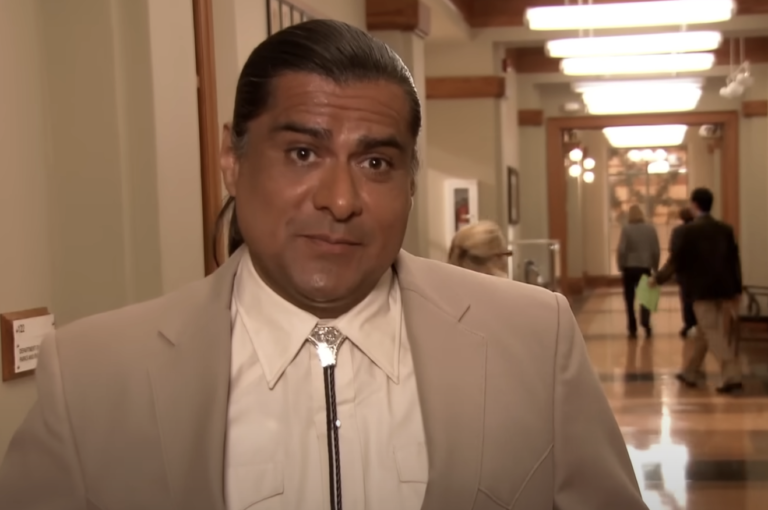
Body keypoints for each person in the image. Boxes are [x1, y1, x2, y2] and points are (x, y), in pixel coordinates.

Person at [0, 20, 648, 510]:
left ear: (411, 180)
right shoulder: (93, 376)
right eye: (303, 154)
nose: (340, 200)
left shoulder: (533, 339)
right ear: (232, 160)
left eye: (376, 163)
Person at [652, 188, 743, 394]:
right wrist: (737, 288)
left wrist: (658, 279)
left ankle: (732, 376)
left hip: (701, 290)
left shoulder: (689, 231)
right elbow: (734, 261)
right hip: (724, 289)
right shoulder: (725, 229)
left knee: (711, 331)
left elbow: (676, 261)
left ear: (694, 205)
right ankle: (691, 372)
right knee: (704, 331)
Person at [617, 204, 660, 339]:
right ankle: (646, 323)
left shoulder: (626, 229)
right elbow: (656, 250)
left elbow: (622, 250)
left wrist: (621, 265)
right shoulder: (650, 229)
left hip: (629, 268)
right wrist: (655, 267)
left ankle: (632, 327)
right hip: (645, 268)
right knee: (645, 298)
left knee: (629, 299)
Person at [659, 207, 696, 338]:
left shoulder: (678, 231)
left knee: (686, 298)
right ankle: (698, 321)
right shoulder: (699, 229)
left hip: (684, 269)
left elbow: (673, 250)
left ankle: (688, 323)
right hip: (698, 269)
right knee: (698, 297)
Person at [447, 220, 511, 277]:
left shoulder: (445, 283)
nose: (506, 260)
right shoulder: (502, 285)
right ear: (497, 257)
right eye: (507, 253)